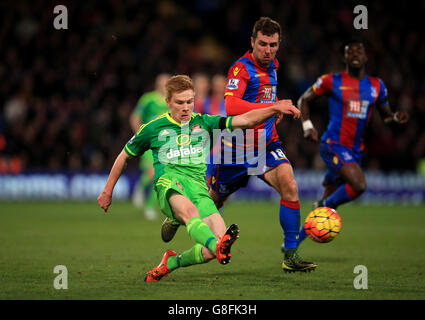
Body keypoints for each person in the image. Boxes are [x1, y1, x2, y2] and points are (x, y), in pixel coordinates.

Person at [97, 75, 301, 282]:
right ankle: (212, 242)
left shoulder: (205, 122)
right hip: (170, 184)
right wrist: (107, 190)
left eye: (189, 102)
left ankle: (171, 262)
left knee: (215, 247)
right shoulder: (152, 128)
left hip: (199, 188)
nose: (186, 107)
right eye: (179, 102)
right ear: (168, 102)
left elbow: (246, 120)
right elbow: (124, 156)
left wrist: (274, 108)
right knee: (193, 216)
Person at [162, 17, 317, 273]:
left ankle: (290, 254)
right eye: (263, 44)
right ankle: (178, 215)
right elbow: (232, 107)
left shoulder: (274, 66)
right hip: (235, 150)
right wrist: (272, 107)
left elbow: (265, 94)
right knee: (214, 201)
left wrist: (274, 106)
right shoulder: (241, 69)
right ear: (252, 42)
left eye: (273, 45)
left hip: (265, 144)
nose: (268, 50)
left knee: (289, 185)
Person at [297, 39, 409, 244]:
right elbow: (304, 99)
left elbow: (385, 116)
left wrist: (394, 118)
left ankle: (292, 245)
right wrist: (308, 126)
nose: (355, 54)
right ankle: (322, 203)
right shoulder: (331, 80)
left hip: (355, 150)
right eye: (351, 52)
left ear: (366, 57)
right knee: (359, 185)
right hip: (333, 145)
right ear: (344, 58)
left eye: (360, 52)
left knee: (329, 208)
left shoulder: (377, 86)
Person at [129, 73, 170, 220]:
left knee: (161, 176)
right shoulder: (148, 99)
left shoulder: (173, 100)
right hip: (150, 143)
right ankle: (140, 188)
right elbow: (135, 117)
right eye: (161, 82)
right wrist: (140, 136)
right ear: (157, 84)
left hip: (167, 146)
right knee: (152, 173)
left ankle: (149, 207)